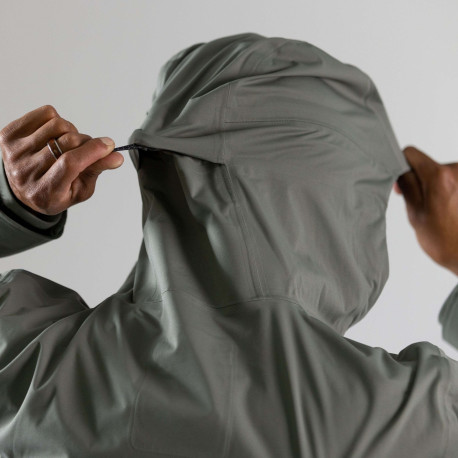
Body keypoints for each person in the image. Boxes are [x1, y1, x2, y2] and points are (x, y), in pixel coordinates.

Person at [0, 32, 457, 457]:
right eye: (370, 202)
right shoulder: (393, 418)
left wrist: (14, 204)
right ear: (331, 201)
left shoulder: (40, 375)